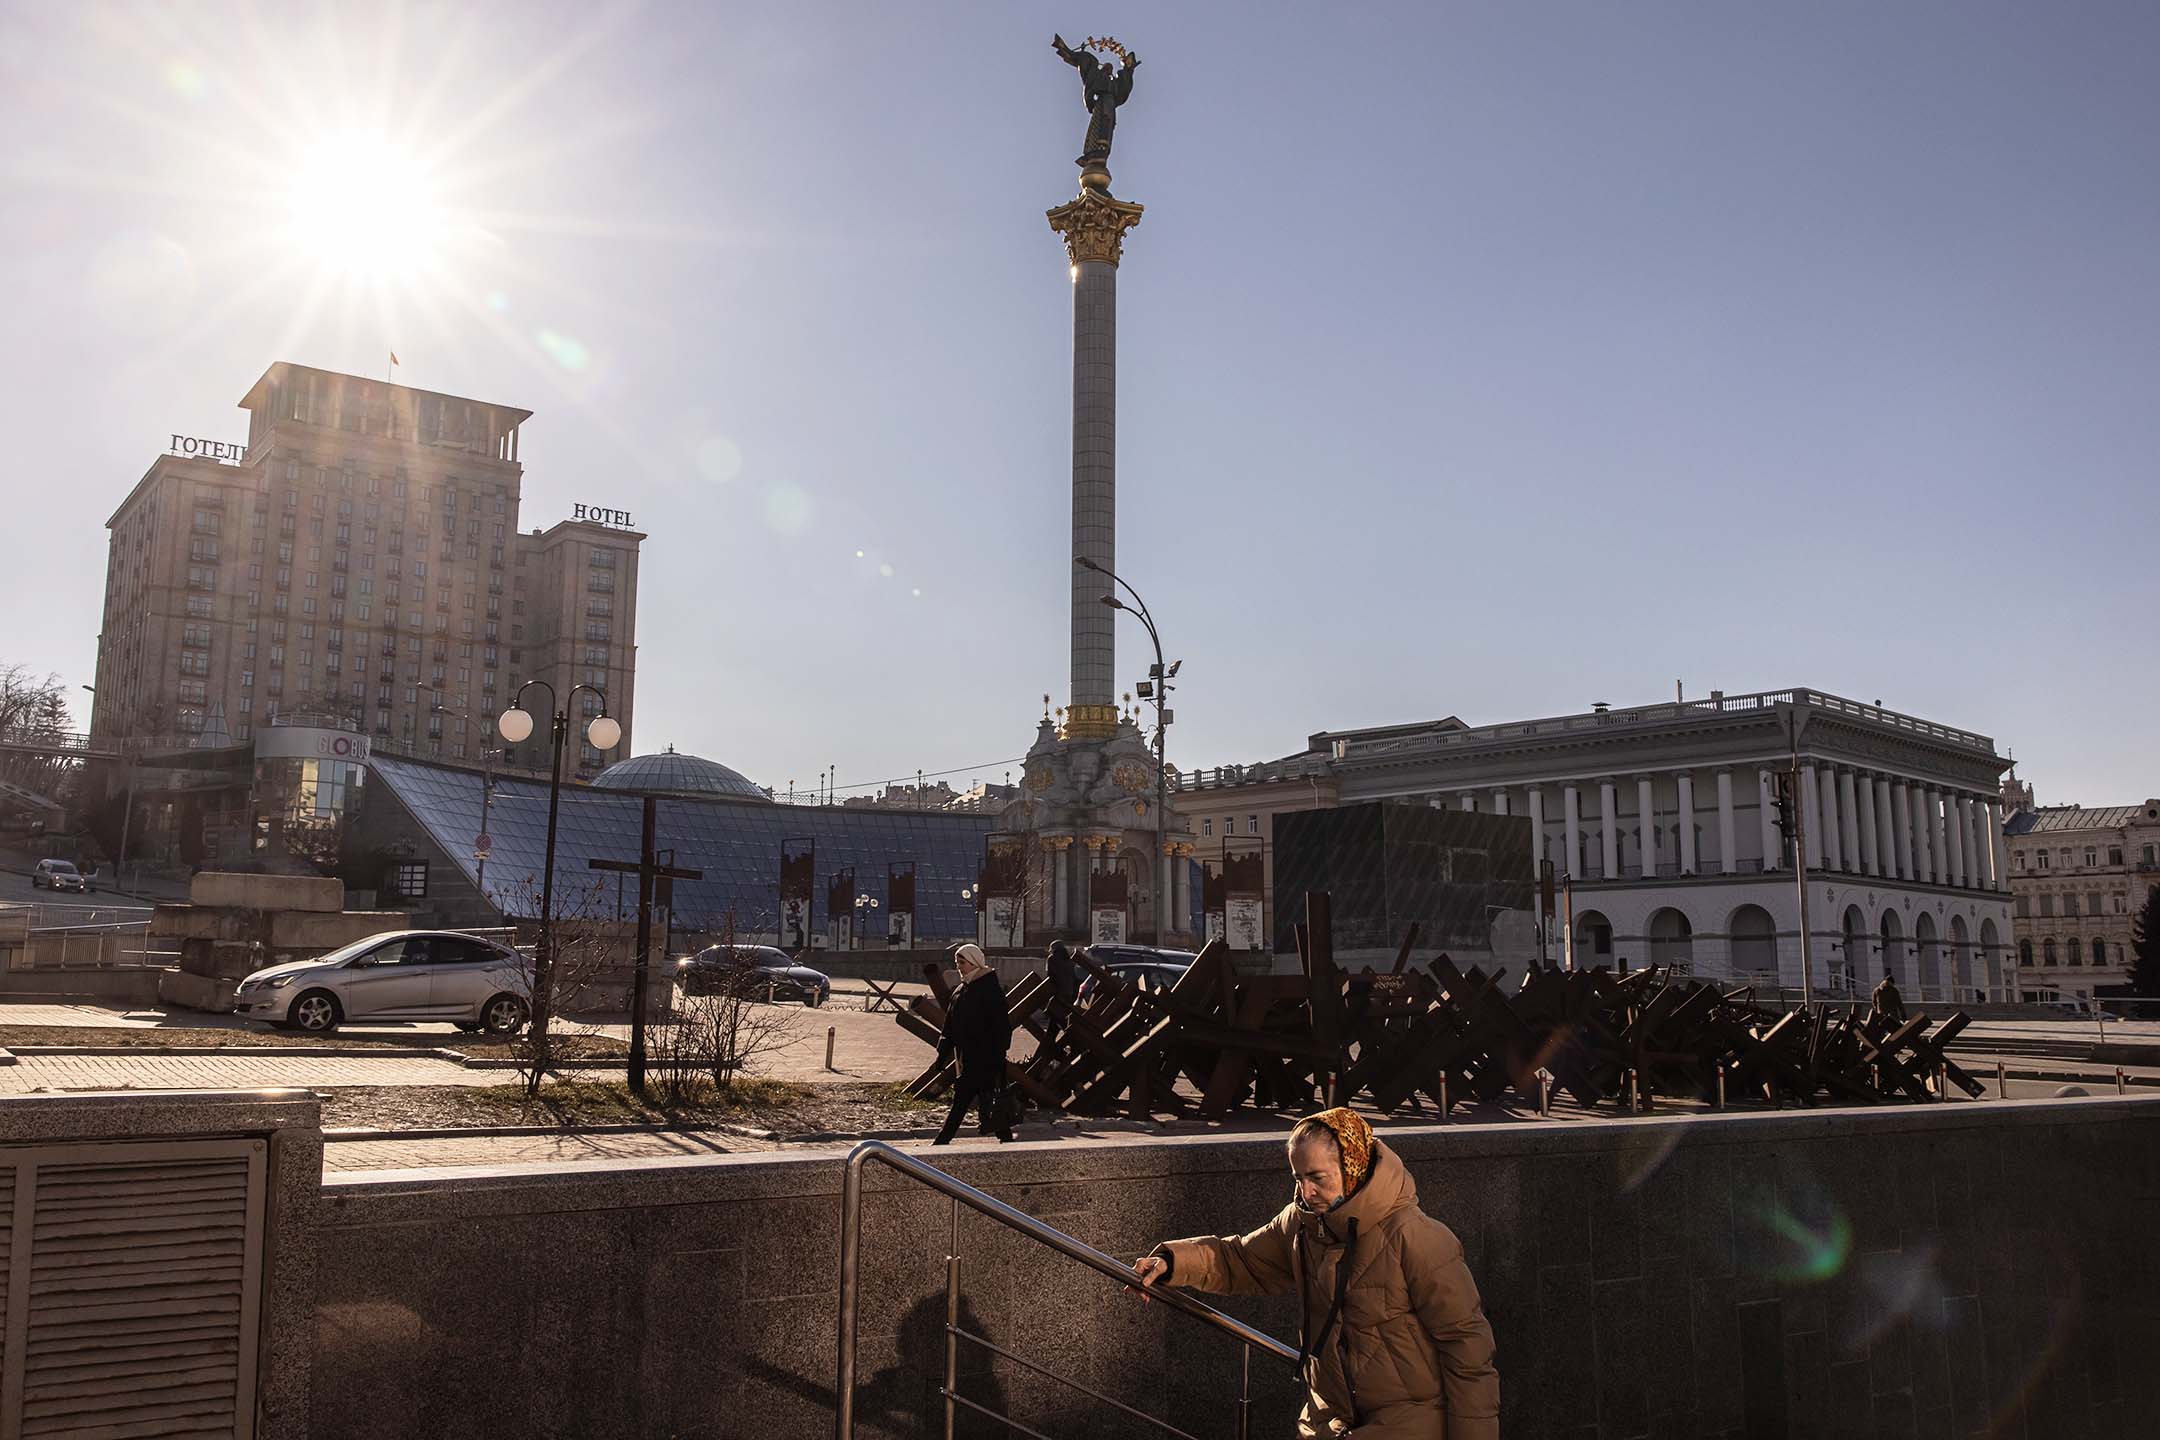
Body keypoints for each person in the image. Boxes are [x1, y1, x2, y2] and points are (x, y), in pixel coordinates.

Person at [1134, 1109, 1498, 1439]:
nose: (1306, 1192)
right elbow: (1240, 1260)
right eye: (1299, 1177)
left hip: (1409, 1424)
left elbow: (1468, 1350)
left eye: (1317, 1177)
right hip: (1328, 1422)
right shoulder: (1303, 1224)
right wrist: (1172, 1261)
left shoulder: (1416, 1236)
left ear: (1352, 1165)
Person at [933, 944, 1016, 1145]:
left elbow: (1002, 1027)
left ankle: (941, 1142)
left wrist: (996, 1057)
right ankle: (1005, 1138)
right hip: (968, 1057)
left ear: (974, 962)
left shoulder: (988, 988)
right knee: (987, 1099)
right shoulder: (962, 988)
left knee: (962, 1101)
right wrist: (942, 1053)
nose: (959, 967)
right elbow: (950, 1025)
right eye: (957, 963)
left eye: (962, 963)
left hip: (984, 1058)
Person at [1045, 940, 1081, 1037]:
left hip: (1058, 993)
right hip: (1069, 994)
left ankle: (1072, 1038)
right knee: (1060, 1018)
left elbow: (1050, 976)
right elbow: (1074, 978)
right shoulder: (1069, 961)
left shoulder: (1052, 959)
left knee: (1057, 1017)